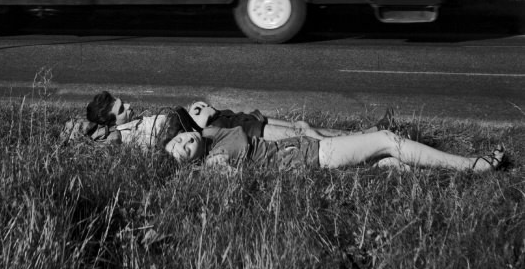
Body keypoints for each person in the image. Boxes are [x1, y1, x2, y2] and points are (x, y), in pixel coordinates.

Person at [162, 107, 506, 173]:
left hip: (307, 150)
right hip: (313, 156)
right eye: (178, 151)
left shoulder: (211, 133)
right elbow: (232, 178)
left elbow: (254, 121)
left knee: (389, 163)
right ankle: (472, 166)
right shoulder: (213, 162)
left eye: (178, 138)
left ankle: (435, 168)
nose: (182, 143)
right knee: (385, 138)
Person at [82, 92, 396, 148]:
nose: (130, 108)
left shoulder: (131, 126)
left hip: (224, 119)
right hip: (224, 130)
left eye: (124, 104)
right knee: (304, 136)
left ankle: (371, 132)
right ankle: (374, 145)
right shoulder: (119, 137)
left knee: (301, 126)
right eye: (122, 110)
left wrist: (193, 112)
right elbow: (93, 141)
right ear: (110, 124)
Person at [186, 101, 393, 142]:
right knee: (313, 137)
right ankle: (372, 136)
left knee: (307, 128)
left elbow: (255, 117)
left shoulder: (218, 114)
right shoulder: (205, 126)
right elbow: (202, 122)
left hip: (258, 123)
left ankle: (369, 132)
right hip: (258, 134)